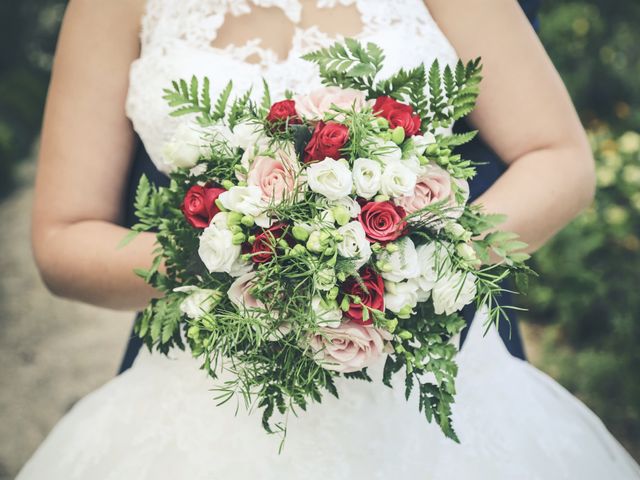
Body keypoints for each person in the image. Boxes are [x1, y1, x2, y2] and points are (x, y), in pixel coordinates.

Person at [20, 0, 640, 478]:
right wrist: (232, 261)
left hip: (427, 384)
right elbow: (61, 237)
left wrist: (413, 263)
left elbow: (557, 159)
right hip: (205, 395)